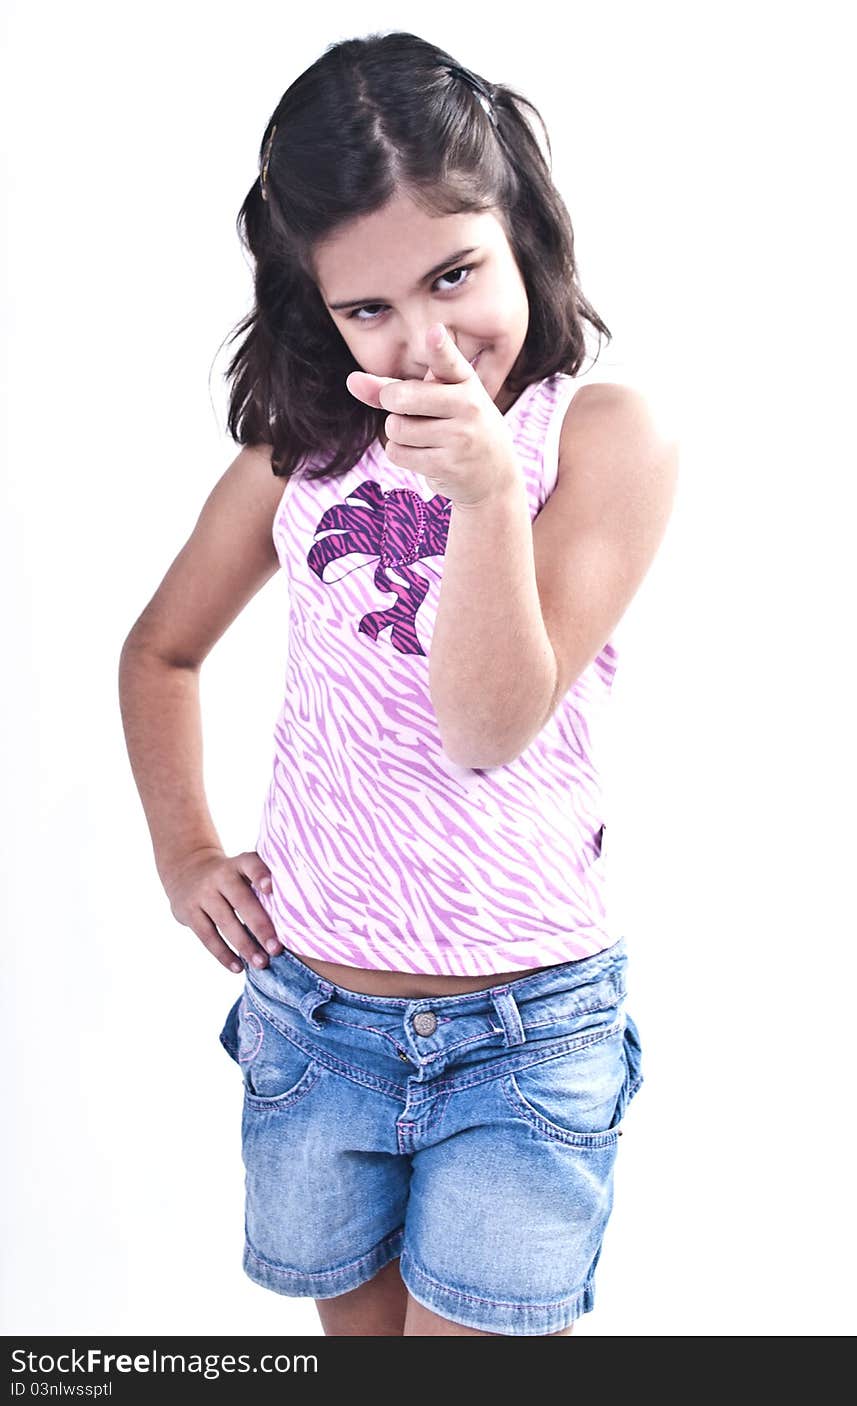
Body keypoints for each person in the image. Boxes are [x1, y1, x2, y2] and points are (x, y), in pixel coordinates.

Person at [118, 30, 678, 1337]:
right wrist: (187, 850)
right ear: (317, 307)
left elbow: (491, 723)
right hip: (316, 1028)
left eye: (453, 273)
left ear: (520, 226)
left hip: (525, 1039)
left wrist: (483, 492)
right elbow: (161, 649)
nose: (425, 342)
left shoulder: (598, 439)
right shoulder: (301, 459)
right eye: (368, 307)